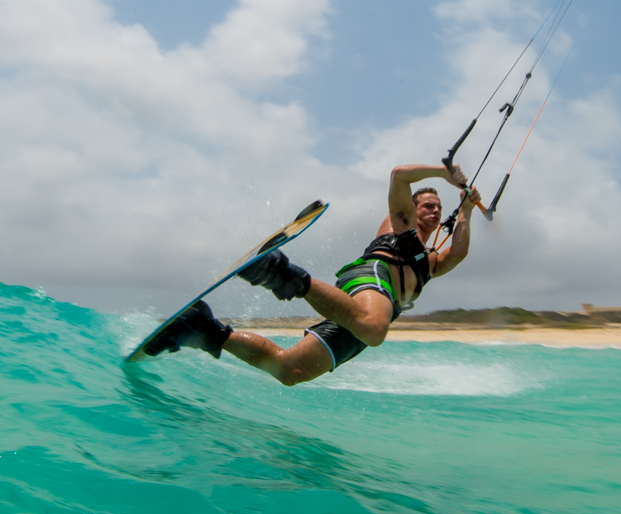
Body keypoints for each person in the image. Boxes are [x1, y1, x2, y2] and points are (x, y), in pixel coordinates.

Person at [146, 163, 481, 385]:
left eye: (439, 208)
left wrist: (465, 209)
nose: (435, 211)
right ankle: (281, 273)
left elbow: (461, 252)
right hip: (369, 282)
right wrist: (442, 173)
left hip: (362, 314)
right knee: (374, 328)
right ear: (412, 207)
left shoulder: (432, 261)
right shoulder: (401, 220)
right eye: (428, 205)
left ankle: (203, 328)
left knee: (289, 370)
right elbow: (398, 175)